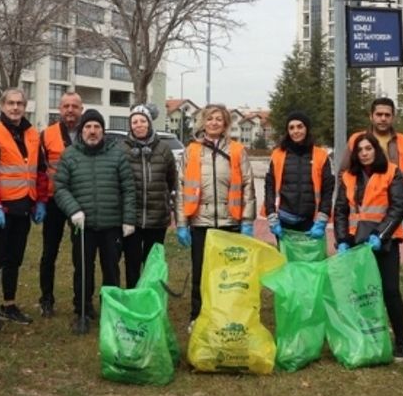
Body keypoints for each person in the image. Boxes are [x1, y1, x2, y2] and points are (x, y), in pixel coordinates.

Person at [54, 109, 137, 334]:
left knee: (111, 269)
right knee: (83, 270)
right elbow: (60, 187)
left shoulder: (117, 154)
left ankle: (110, 310)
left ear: (103, 130)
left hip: (112, 225)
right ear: (82, 131)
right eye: (88, 127)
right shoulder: (70, 155)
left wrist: (129, 219)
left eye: (97, 127)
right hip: (83, 226)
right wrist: (73, 211)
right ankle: (82, 311)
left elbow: (128, 189)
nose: (93, 131)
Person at [176, 104, 257, 328]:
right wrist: (182, 223)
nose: (214, 123)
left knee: (228, 275)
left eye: (219, 119)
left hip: (229, 222)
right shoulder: (191, 150)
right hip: (200, 221)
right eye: (210, 118)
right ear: (203, 122)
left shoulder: (237, 151)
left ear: (225, 124)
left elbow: (248, 187)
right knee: (200, 271)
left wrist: (247, 222)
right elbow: (182, 188)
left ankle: (226, 316)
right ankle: (197, 316)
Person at [333, 134, 403, 361]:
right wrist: (342, 239)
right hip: (356, 245)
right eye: (360, 150)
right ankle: (369, 335)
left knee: (390, 291)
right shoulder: (348, 176)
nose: (365, 153)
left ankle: (401, 341)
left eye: (369, 148)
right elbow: (341, 211)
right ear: (355, 154)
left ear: (376, 150)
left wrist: (381, 235)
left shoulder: (391, 172)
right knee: (363, 293)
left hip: (384, 243)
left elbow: (398, 206)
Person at [0, 88, 48, 329]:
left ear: (25, 106)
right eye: (11, 103)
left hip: (24, 207)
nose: (15, 107)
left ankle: (9, 304)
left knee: (14, 259)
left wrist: (40, 201)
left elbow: (40, 170)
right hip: (2, 209)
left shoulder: (32, 134)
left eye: (19, 103)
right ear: (2, 105)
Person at [342, 98, 403, 244]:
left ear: (393, 117)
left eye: (387, 115)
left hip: (394, 213)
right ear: (371, 116)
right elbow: (344, 175)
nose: (383, 118)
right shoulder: (357, 140)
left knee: (389, 256)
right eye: (379, 114)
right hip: (362, 215)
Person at [37, 91, 83, 316]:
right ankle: (46, 299)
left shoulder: (90, 131)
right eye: (66, 106)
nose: (70, 110)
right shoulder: (47, 135)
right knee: (49, 253)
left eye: (74, 106)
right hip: (54, 201)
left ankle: (81, 301)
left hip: (81, 202)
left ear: (81, 109)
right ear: (59, 109)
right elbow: (40, 170)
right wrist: (41, 201)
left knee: (82, 253)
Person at [122, 104, 178, 287]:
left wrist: (170, 203)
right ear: (130, 125)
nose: (139, 125)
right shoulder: (122, 150)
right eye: (135, 121)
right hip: (132, 219)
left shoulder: (163, 149)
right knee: (132, 263)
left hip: (157, 219)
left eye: (142, 121)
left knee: (152, 264)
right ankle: (133, 298)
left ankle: (151, 298)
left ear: (149, 123)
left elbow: (172, 180)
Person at [264, 110, 334, 243]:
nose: (296, 131)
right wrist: (272, 216)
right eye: (291, 127)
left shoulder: (321, 155)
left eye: (300, 126)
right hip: (283, 221)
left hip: (311, 222)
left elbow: (327, 190)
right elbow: (270, 186)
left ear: (307, 128)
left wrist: (322, 219)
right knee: (286, 261)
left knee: (309, 263)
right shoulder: (277, 155)